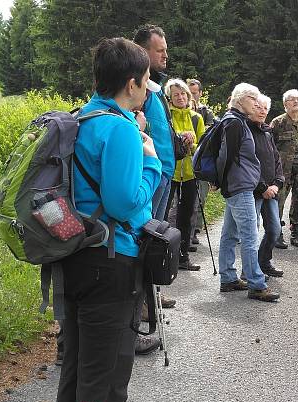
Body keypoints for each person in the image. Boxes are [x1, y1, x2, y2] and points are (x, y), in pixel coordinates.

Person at [58, 37, 159, 402]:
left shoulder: (79, 118)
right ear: (131, 83)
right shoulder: (119, 130)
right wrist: (152, 160)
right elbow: (126, 202)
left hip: (74, 254)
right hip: (111, 260)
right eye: (145, 82)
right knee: (105, 372)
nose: (148, 90)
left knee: (77, 368)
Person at [131, 24, 176, 357]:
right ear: (142, 50)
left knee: (153, 244)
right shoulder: (136, 88)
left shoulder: (153, 88)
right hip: (151, 175)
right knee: (145, 244)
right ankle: (142, 309)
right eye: (159, 50)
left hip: (162, 173)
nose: (165, 55)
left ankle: (151, 298)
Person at [217, 83, 281, 302]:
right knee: (249, 235)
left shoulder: (234, 120)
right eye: (253, 98)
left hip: (237, 186)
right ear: (240, 99)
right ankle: (256, 283)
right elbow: (226, 156)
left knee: (230, 234)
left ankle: (228, 278)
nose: (257, 103)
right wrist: (223, 182)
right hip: (241, 187)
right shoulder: (235, 123)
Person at [164, 78, 206, 270]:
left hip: (190, 172)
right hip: (170, 172)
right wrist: (179, 141)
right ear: (169, 98)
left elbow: (202, 147)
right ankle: (163, 255)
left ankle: (183, 256)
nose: (180, 97)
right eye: (176, 95)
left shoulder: (196, 118)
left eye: (183, 94)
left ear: (188, 96)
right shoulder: (166, 116)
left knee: (187, 214)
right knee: (163, 214)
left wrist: (191, 145)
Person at [247, 93, 285, 278]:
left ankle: (263, 262)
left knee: (274, 229)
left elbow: (276, 159)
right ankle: (249, 271)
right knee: (251, 233)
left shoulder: (268, 131)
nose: (262, 111)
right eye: (258, 107)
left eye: (265, 108)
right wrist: (263, 187)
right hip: (254, 191)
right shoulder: (246, 130)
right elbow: (248, 164)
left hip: (271, 190)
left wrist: (277, 183)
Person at [271, 89, 298, 248]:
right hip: (283, 170)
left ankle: (296, 231)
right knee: (278, 202)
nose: (295, 101)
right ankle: (276, 233)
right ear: (284, 104)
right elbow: (270, 148)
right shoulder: (277, 123)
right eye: (291, 99)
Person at [186, 78, 215, 248]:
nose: (191, 96)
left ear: (200, 93)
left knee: (201, 197)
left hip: (201, 161)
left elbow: (211, 133)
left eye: (194, 93)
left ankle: (195, 229)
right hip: (183, 162)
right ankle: (186, 229)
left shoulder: (206, 112)